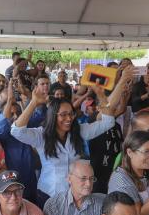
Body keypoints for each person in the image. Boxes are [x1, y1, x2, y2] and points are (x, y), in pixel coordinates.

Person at [11, 74, 126, 206]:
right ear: (53, 116)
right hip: (49, 194)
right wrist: (34, 102)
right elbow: (16, 131)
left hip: (76, 194)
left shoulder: (79, 131)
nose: (69, 118)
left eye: (71, 113)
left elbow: (108, 122)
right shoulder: (42, 135)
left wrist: (100, 94)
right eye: (63, 115)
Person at [0, 78, 38, 202]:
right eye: (11, 114)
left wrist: (28, 94)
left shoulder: (25, 123)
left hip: (29, 176)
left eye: (17, 113)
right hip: (9, 179)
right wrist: (10, 99)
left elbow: (41, 114)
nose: (15, 117)